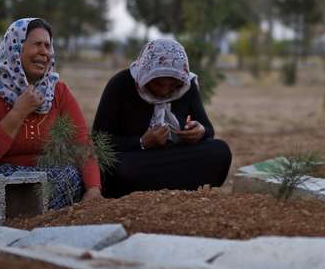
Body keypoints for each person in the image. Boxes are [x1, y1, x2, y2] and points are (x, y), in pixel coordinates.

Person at [0, 18, 102, 208]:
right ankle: (25, 211)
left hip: (41, 177)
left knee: (70, 176)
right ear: (15, 49)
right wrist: (18, 112)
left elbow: (81, 143)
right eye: (37, 44)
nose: (44, 52)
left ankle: (20, 212)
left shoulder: (57, 91)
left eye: (47, 46)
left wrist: (94, 189)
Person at [92, 39, 232, 197]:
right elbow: (99, 142)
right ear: (146, 74)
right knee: (118, 169)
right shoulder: (121, 84)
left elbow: (208, 130)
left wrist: (200, 131)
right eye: (158, 84)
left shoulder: (187, 86)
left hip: (173, 156)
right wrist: (141, 142)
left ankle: (154, 186)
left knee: (220, 151)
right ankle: (178, 184)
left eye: (173, 86)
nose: (165, 92)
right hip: (136, 159)